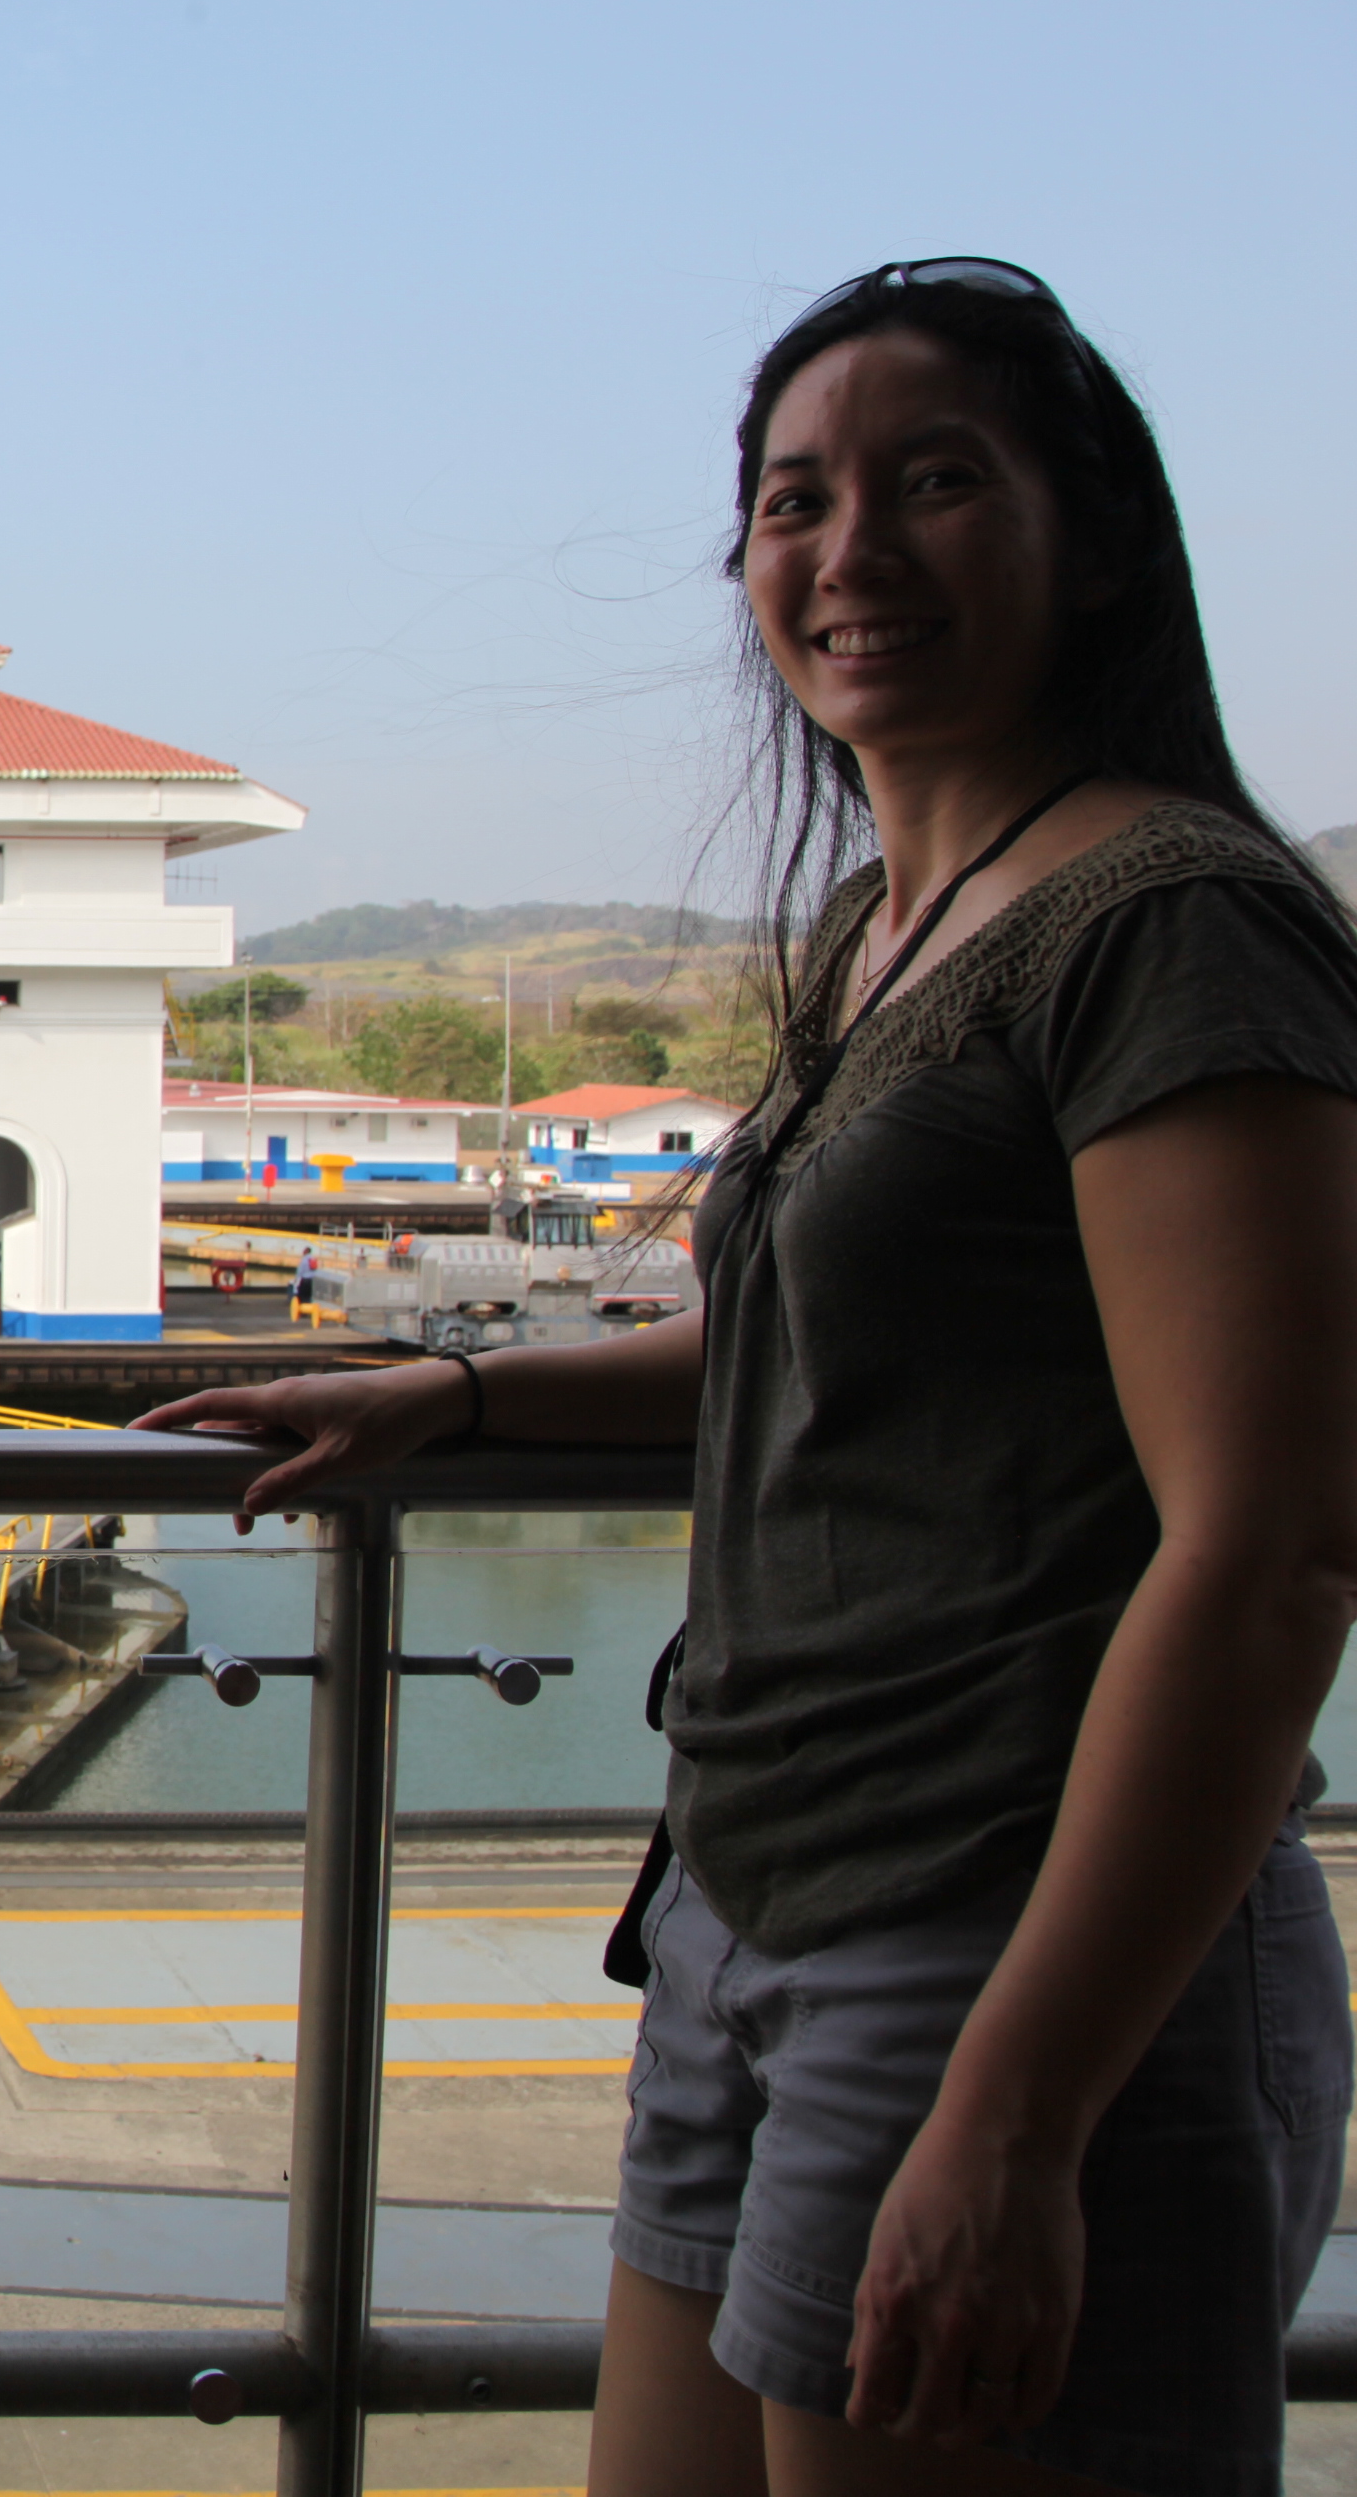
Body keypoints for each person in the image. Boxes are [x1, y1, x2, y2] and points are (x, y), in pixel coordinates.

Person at [138, 259, 1357, 2493]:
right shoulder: (889, 928)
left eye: (937, 482)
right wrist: (461, 1398)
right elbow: (830, 1356)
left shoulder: (1168, 922)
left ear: (1095, 539)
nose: (850, 550)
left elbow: (1270, 1547)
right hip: (750, 1902)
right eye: (797, 502)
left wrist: (1022, 2114)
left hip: (1002, 1947)